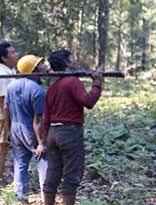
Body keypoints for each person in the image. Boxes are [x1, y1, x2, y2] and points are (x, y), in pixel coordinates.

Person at [42, 49, 104, 205]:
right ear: (66, 64)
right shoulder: (72, 82)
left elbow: (46, 118)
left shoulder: (52, 87)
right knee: (72, 174)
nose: (76, 62)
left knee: (53, 172)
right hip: (69, 132)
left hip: (53, 134)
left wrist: (44, 140)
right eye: (72, 59)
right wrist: (97, 83)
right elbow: (88, 102)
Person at [4, 55, 48, 202]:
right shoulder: (38, 91)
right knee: (43, 165)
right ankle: (47, 199)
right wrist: (41, 142)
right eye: (41, 64)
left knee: (20, 166)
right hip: (32, 132)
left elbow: (6, 110)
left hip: (15, 130)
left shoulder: (11, 87)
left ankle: (20, 199)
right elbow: (38, 120)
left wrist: (8, 131)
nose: (44, 66)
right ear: (34, 69)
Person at [0, 42, 19, 187]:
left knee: (0, 145)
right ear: (4, 58)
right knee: (1, 146)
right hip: (1, 116)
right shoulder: (0, 73)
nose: (16, 55)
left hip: (3, 115)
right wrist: (8, 121)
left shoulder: (9, 71)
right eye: (12, 53)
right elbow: (2, 100)